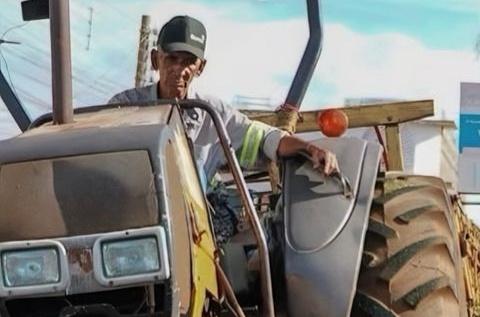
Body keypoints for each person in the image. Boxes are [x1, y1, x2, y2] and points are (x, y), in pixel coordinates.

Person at [109, 15, 338, 242]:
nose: (179, 69)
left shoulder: (213, 114)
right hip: (134, 218)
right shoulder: (125, 109)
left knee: (228, 240)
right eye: (171, 59)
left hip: (192, 223)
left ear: (201, 67)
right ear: (155, 59)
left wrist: (309, 149)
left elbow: (263, 139)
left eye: (189, 61)